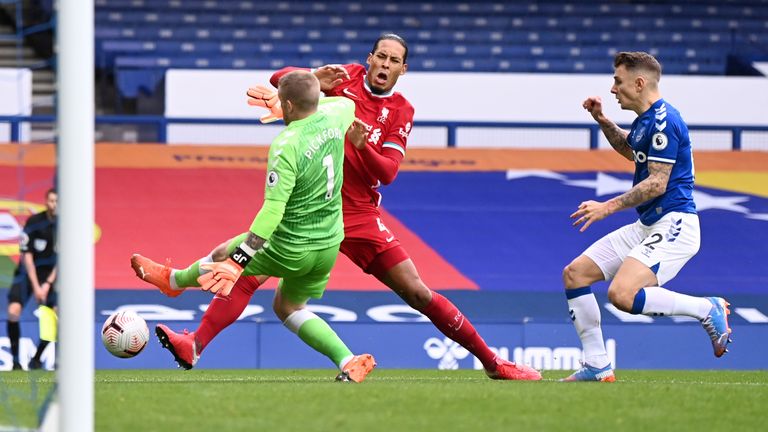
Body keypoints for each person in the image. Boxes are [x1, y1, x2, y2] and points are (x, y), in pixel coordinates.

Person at [133, 34, 540, 381]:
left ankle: (492, 361)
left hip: (359, 214)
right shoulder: (346, 82)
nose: (384, 64)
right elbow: (284, 82)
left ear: (403, 70)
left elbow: (389, 172)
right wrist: (314, 74)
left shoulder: (400, 111)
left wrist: (363, 147)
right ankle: (194, 338)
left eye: (393, 60)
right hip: (311, 207)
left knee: (416, 290)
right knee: (249, 277)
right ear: (368, 59)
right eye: (379, 56)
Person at [138, 71, 377, 382]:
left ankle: (174, 280)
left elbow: (272, 211)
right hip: (329, 243)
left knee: (227, 255)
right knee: (289, 306)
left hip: (291, 244)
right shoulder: (339, 112)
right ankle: (348, 360)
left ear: (288, 105)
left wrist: (240, 260)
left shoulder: (286, 145)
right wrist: (306, 91)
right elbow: (339, 104)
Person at [561, 51, 732, 382]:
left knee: (622, 295)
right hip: (649, 224)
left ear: (639, 83)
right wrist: (603, 120)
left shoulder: (665, 121)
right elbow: (631, 149)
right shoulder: (647, 120)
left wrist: (606, 207)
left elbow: (657, 183)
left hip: (676, 224)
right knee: (575, 274)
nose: (613, 89)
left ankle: (706, 308)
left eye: (618, 81)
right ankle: (597, 364)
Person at [6, 188, 58, 370]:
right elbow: (26, 256)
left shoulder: (66, 227)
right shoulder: (34, 222)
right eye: (51, 201)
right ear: (46, 202)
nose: (54, 205)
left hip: (50, 276)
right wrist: (36, 286)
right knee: (13, 311)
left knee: (55, 317)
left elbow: (63, 260)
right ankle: (15, 361)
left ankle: (37, 358)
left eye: (57, 201)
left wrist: (48, 284)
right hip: (27, 274)